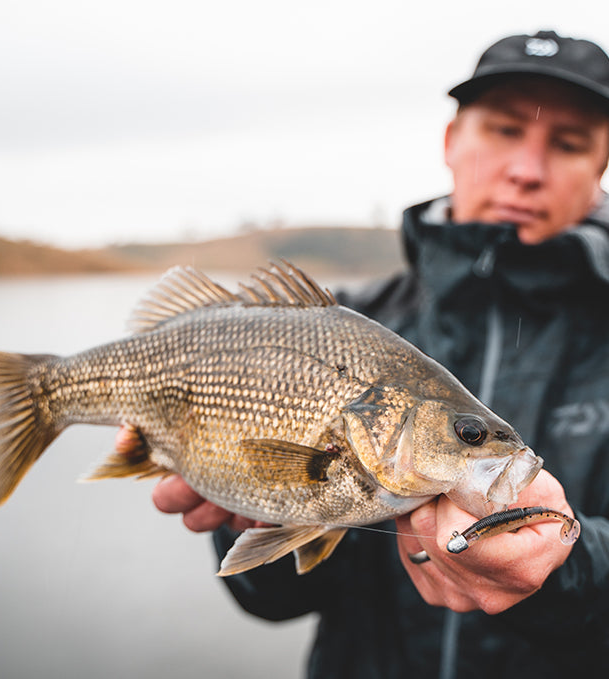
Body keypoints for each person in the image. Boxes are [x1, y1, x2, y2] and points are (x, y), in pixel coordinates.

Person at [120, 30, 609, 677]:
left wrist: (568, 567)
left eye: (568, 143)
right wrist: (248, 504)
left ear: (601, 164)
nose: (525, 167)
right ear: (450, 141)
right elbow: (270, 600)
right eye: (502, 130)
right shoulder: (342, 320)